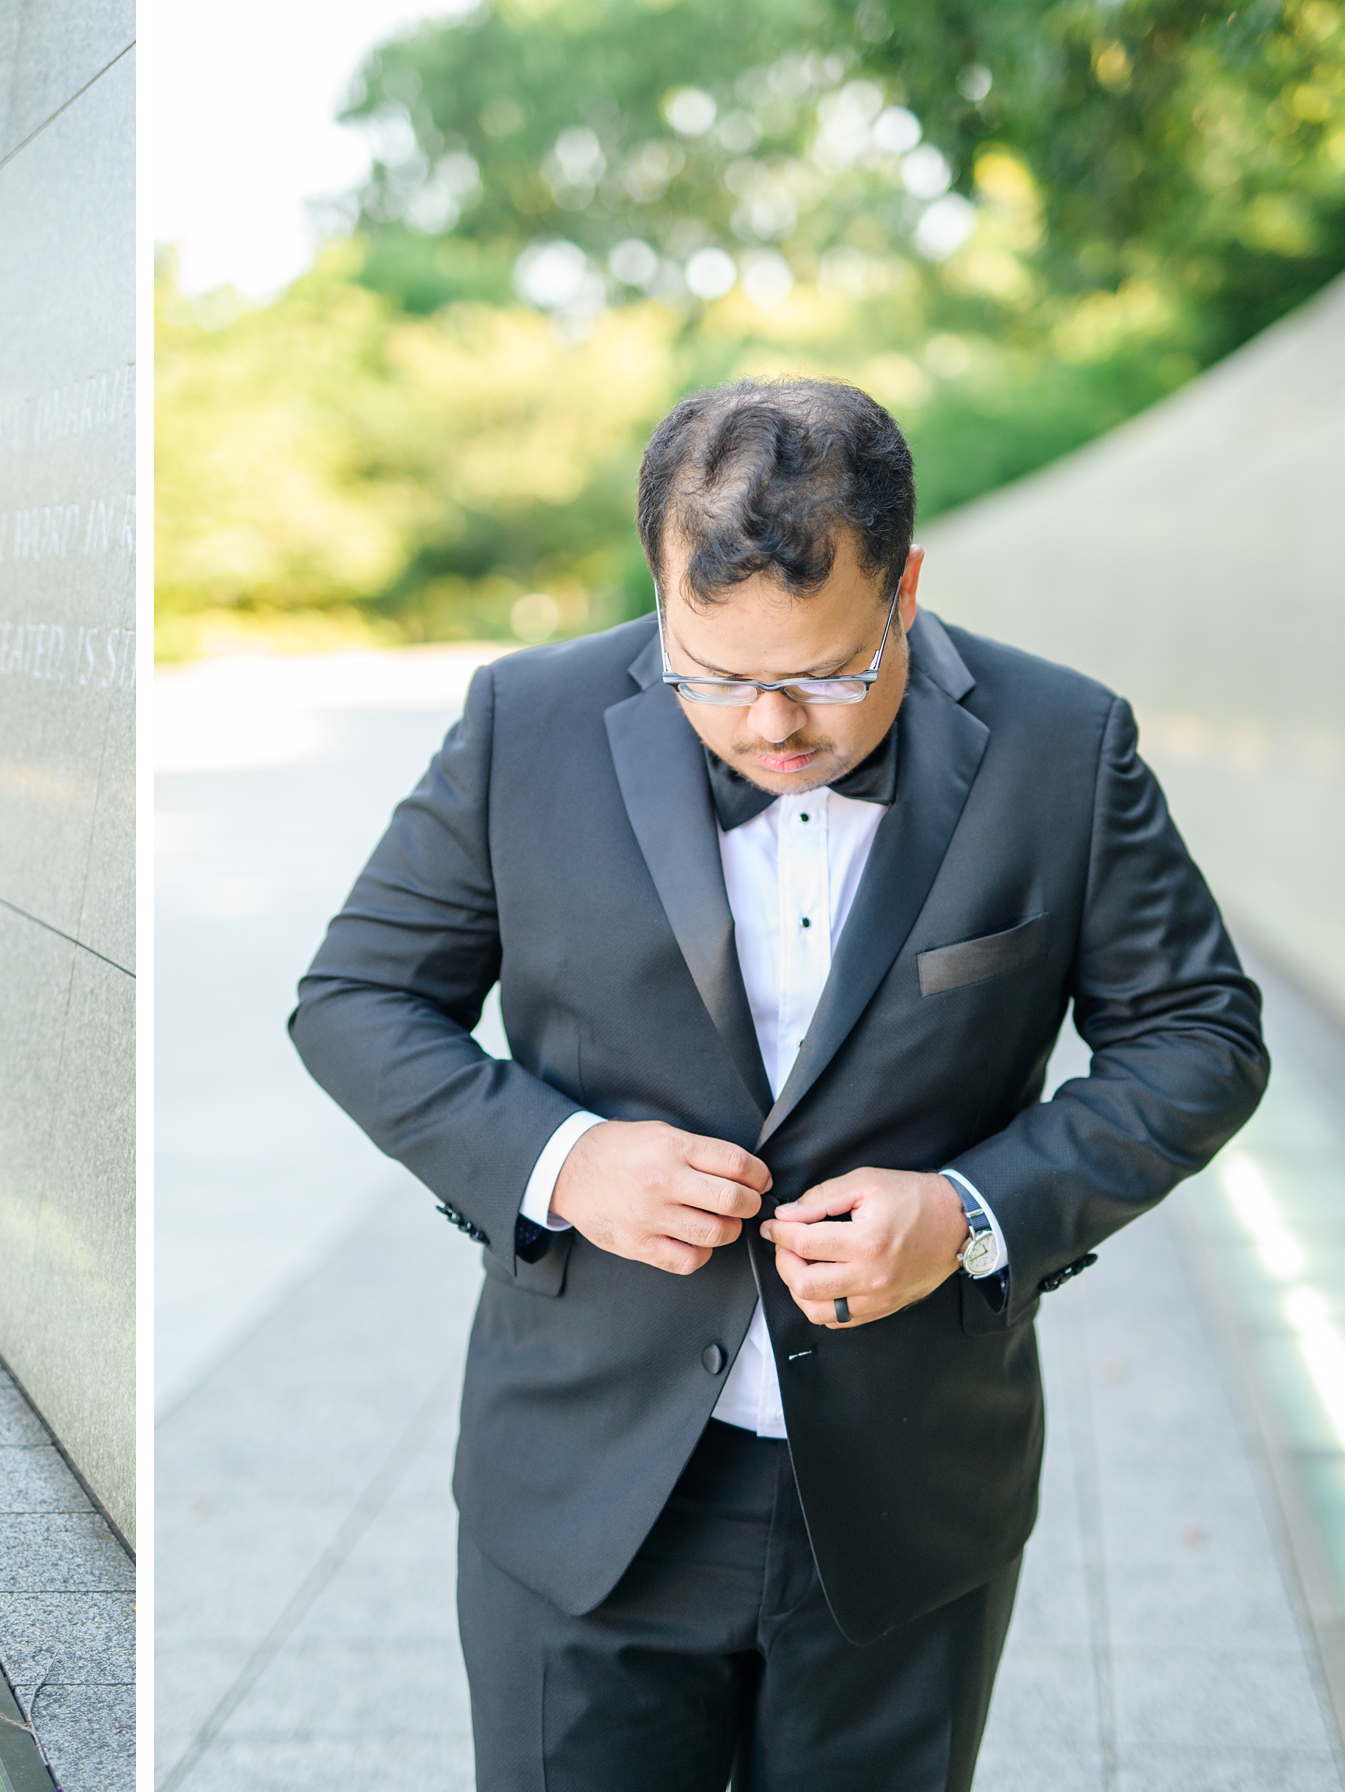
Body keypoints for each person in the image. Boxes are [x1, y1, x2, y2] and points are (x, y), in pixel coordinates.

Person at [290, 378, 1265, 1790]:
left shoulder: (1066, 745)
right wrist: (565, 1161)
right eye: (715, 674)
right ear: (659, 587)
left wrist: (970, 1210)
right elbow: (356, 999)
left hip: (905, 1505)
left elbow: (1200, 1033)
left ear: (906, 586)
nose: (770, 727)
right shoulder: (525, 721)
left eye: (824, 674)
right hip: (583, 1497)